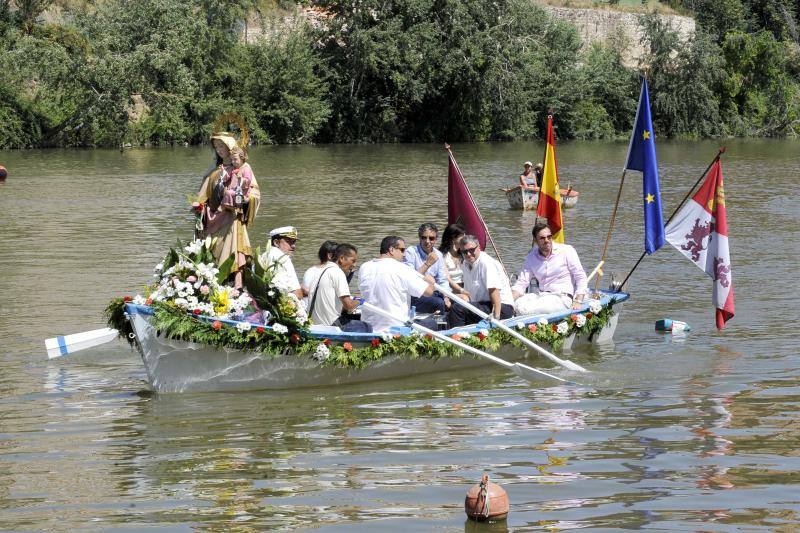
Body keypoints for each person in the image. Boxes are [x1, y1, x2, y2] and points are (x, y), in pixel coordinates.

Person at [196, 135, 261, 287]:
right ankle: (215, 283)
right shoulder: (214, 172)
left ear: (230, 148)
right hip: (214, 217)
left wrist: (245, 199)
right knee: (214, 250)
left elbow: (254, 192)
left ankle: (237, 284)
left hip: (232, 217)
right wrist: (200, 207)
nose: (219, 150)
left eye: (222, 146)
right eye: (216, 147)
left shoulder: (242, 168)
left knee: (235, 250)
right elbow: (203, 195)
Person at [359, 236, 435, 332]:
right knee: (432, 323)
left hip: (369, 327)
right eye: (402, 250)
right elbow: (428, 292)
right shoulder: (403, 268)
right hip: (397, 328)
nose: (404, 255)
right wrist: (431, 282)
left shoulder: (364, 267)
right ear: (391, 250)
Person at [512, 220, 588, 315]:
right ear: (535, 240)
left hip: (562, 298)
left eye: (549, 237)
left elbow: (580, 276)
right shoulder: (531, 256)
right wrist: (508, 301)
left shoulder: (567, 251)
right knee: (515, 304)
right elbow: (522, 283)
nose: (547, 240)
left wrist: (578, 300)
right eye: (542, 238)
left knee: (530, 309)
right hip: (541, 296)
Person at [448, 235, 515, 328]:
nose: (468, 254)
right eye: (464, 252)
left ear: (478, 247)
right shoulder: (465, 264)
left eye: (471, 250)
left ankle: (457, 336)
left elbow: (494, 292)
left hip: (501, 307)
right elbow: (470, 292)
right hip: (482, 305)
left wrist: (496, 319)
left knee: (458, 309)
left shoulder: (486, 263)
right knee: (451, 303)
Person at [307, 243, 371, 332]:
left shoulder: (319, 271)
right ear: (341, 258)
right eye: (353, 261)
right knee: (367, 327)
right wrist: (360, 300)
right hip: (330, 325)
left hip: (313, 323)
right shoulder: (338, 273)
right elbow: (349, 306)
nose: (355, 265)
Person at [403, 223, 449, 315]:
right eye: (424, 238)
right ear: (419, 238)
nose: (427, 241)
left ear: (436, 240)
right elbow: (409, 278)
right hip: (415, 294)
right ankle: (439, 327)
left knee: (457, 302)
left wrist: (446, 297)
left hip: (433, 292)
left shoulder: (438, 255)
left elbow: (442, 280)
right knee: (439, 303)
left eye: (431, 238)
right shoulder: (411, 252)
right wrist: (428, 264)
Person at [258, 226, 303, 299]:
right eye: (288, 241)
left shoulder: (263, 256)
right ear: (276, 242)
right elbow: (297, 293)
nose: (293, 246)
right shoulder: (284, 259)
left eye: (294, 242)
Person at [439, 223, 467, 294]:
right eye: (462, 236)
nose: (465, 239)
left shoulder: (464, 254)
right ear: (453, 238)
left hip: (465, 288)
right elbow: (447, 278)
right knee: (466, 299)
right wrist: (462, 290)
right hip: (450, 292)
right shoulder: (442, 255)